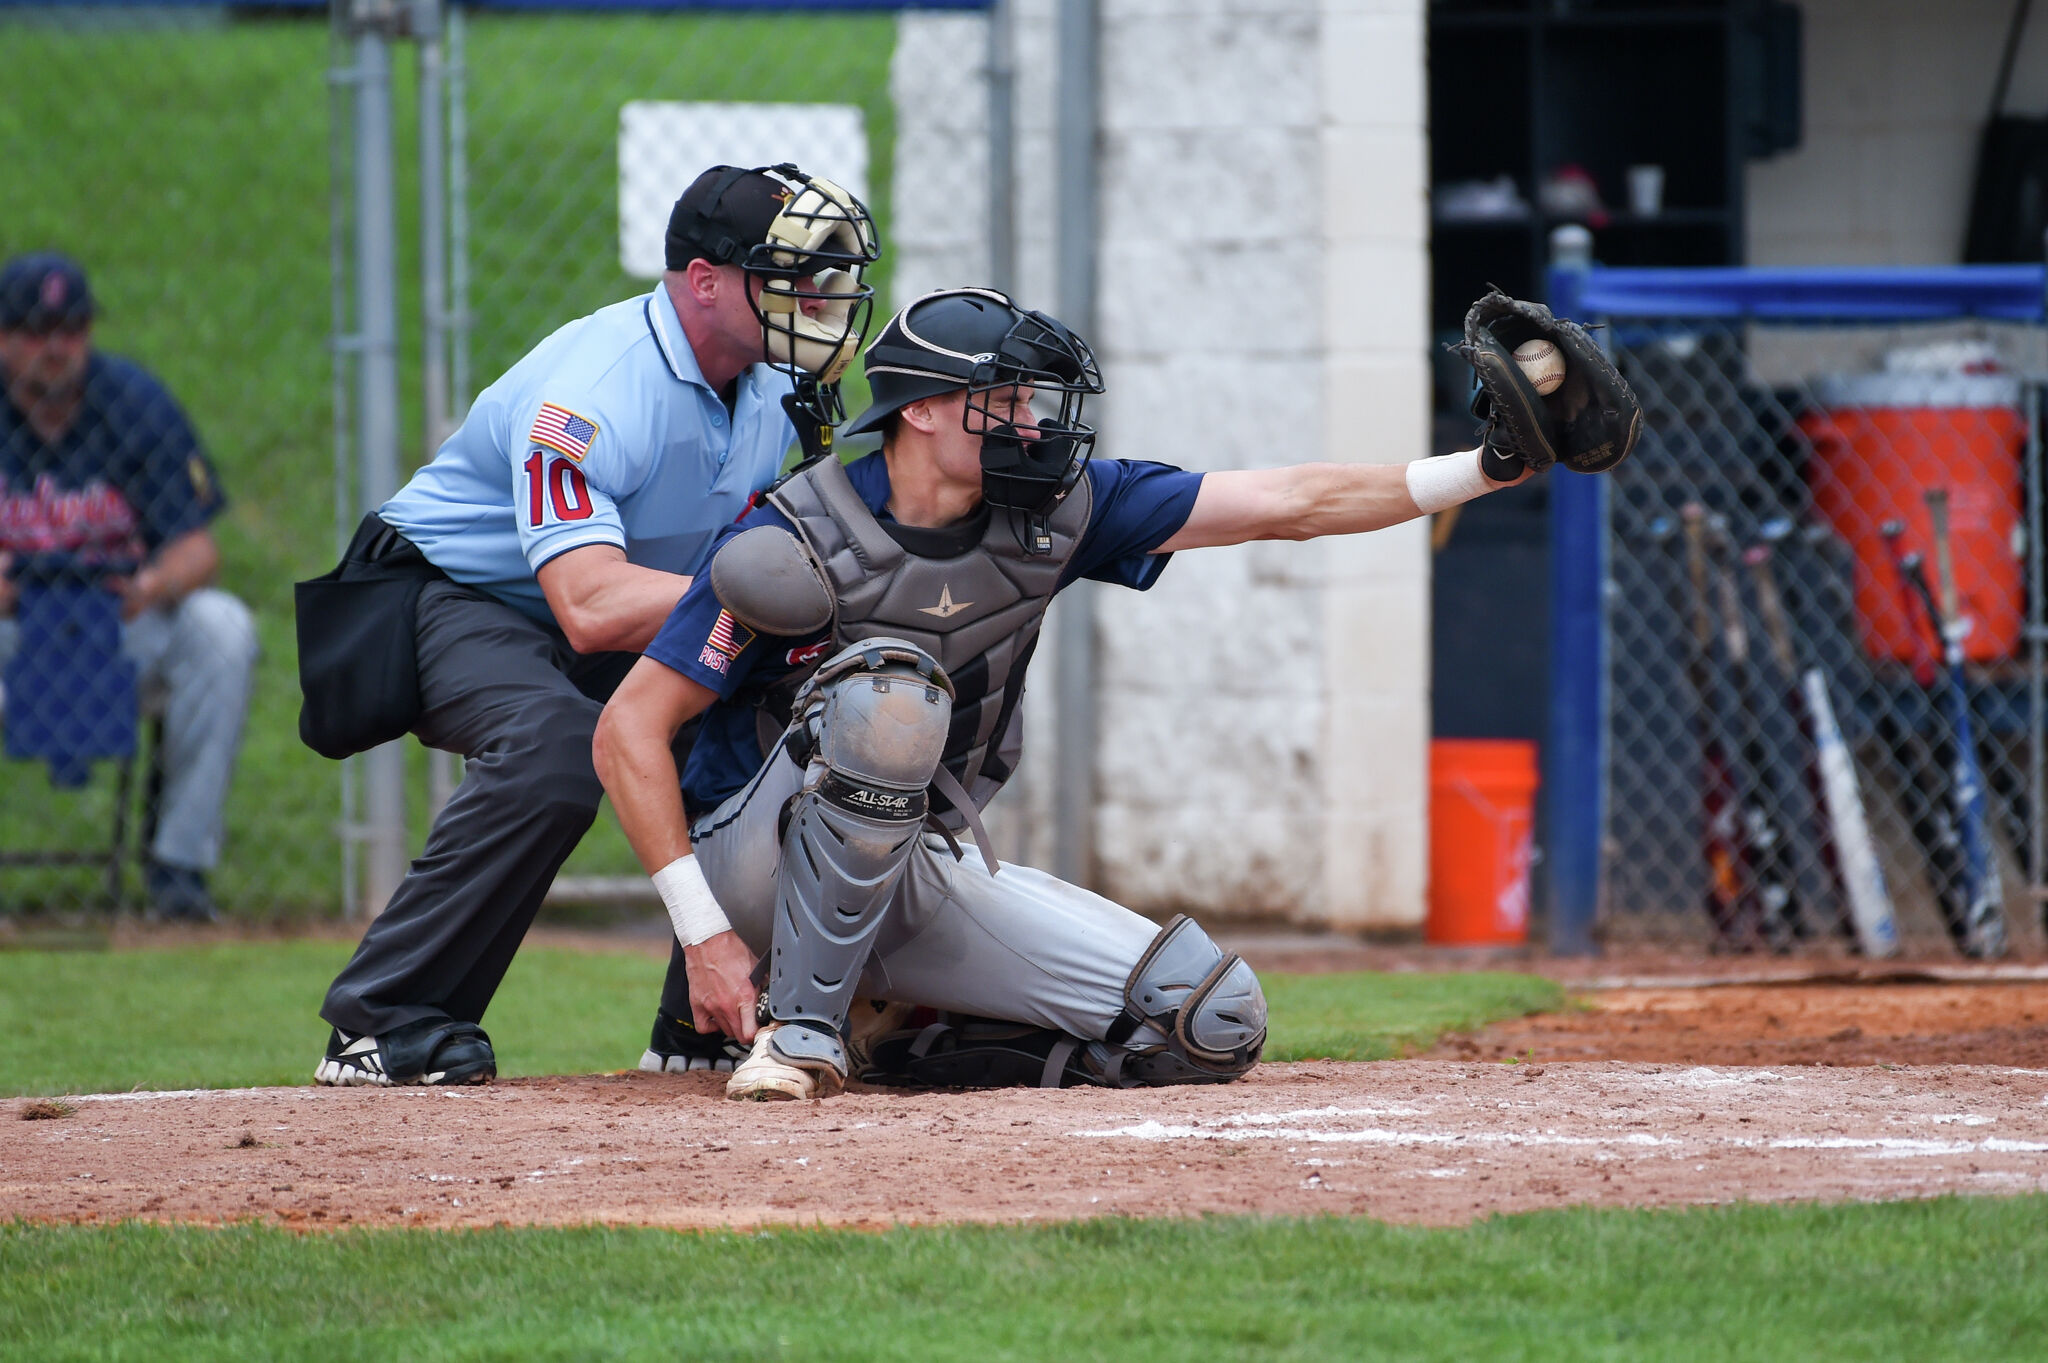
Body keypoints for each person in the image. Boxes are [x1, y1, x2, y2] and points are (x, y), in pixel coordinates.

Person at [591, 285, 1594, 1101]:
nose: (1031, 424)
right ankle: (795, 1033)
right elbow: (629, 731)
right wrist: (705, 937)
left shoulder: (1059, 510)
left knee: (1206, 1017)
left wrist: (1485, 467)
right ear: (923, 410)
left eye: (1034, 401)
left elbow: (1284, 504)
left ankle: (895, 1041)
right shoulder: (790, 535)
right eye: (1006, 401)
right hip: (757, 867)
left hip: (917, 868)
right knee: (886, 695)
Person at [305, 163, 879, 1088]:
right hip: (455, 594)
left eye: (823, 277)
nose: (815, 299)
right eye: (787, 274)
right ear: (704, 283)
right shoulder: (596, 391)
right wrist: (785, 590)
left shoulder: (774, 379)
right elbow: (589, 606)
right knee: (559, 741)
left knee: (790, 711)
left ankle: (703, 1019)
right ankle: (383, 1020)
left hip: (602, 600)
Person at [0, 252, 258, 922]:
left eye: (71, 327)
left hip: (118, 628)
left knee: (221, 628)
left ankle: (179, 869)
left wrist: (154, 582)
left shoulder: (135, 404)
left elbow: (200, 547)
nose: (55, 346)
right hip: (11, 632)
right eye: (34, 329)